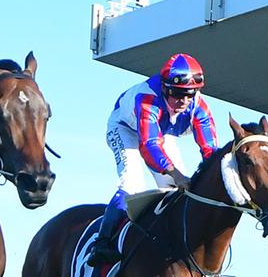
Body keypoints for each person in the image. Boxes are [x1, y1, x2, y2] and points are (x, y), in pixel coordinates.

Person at [88, 53, 219, 265]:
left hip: (161, 130)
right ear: (166, 88)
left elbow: (210, 151)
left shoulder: (199, 107)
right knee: (133, 183)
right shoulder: (148, 98)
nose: (183, 101)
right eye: (177, 94)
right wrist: (176, 174)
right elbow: (149, 146)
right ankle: (101, 243)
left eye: (189, 94)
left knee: (174, 190)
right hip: (126, 129)